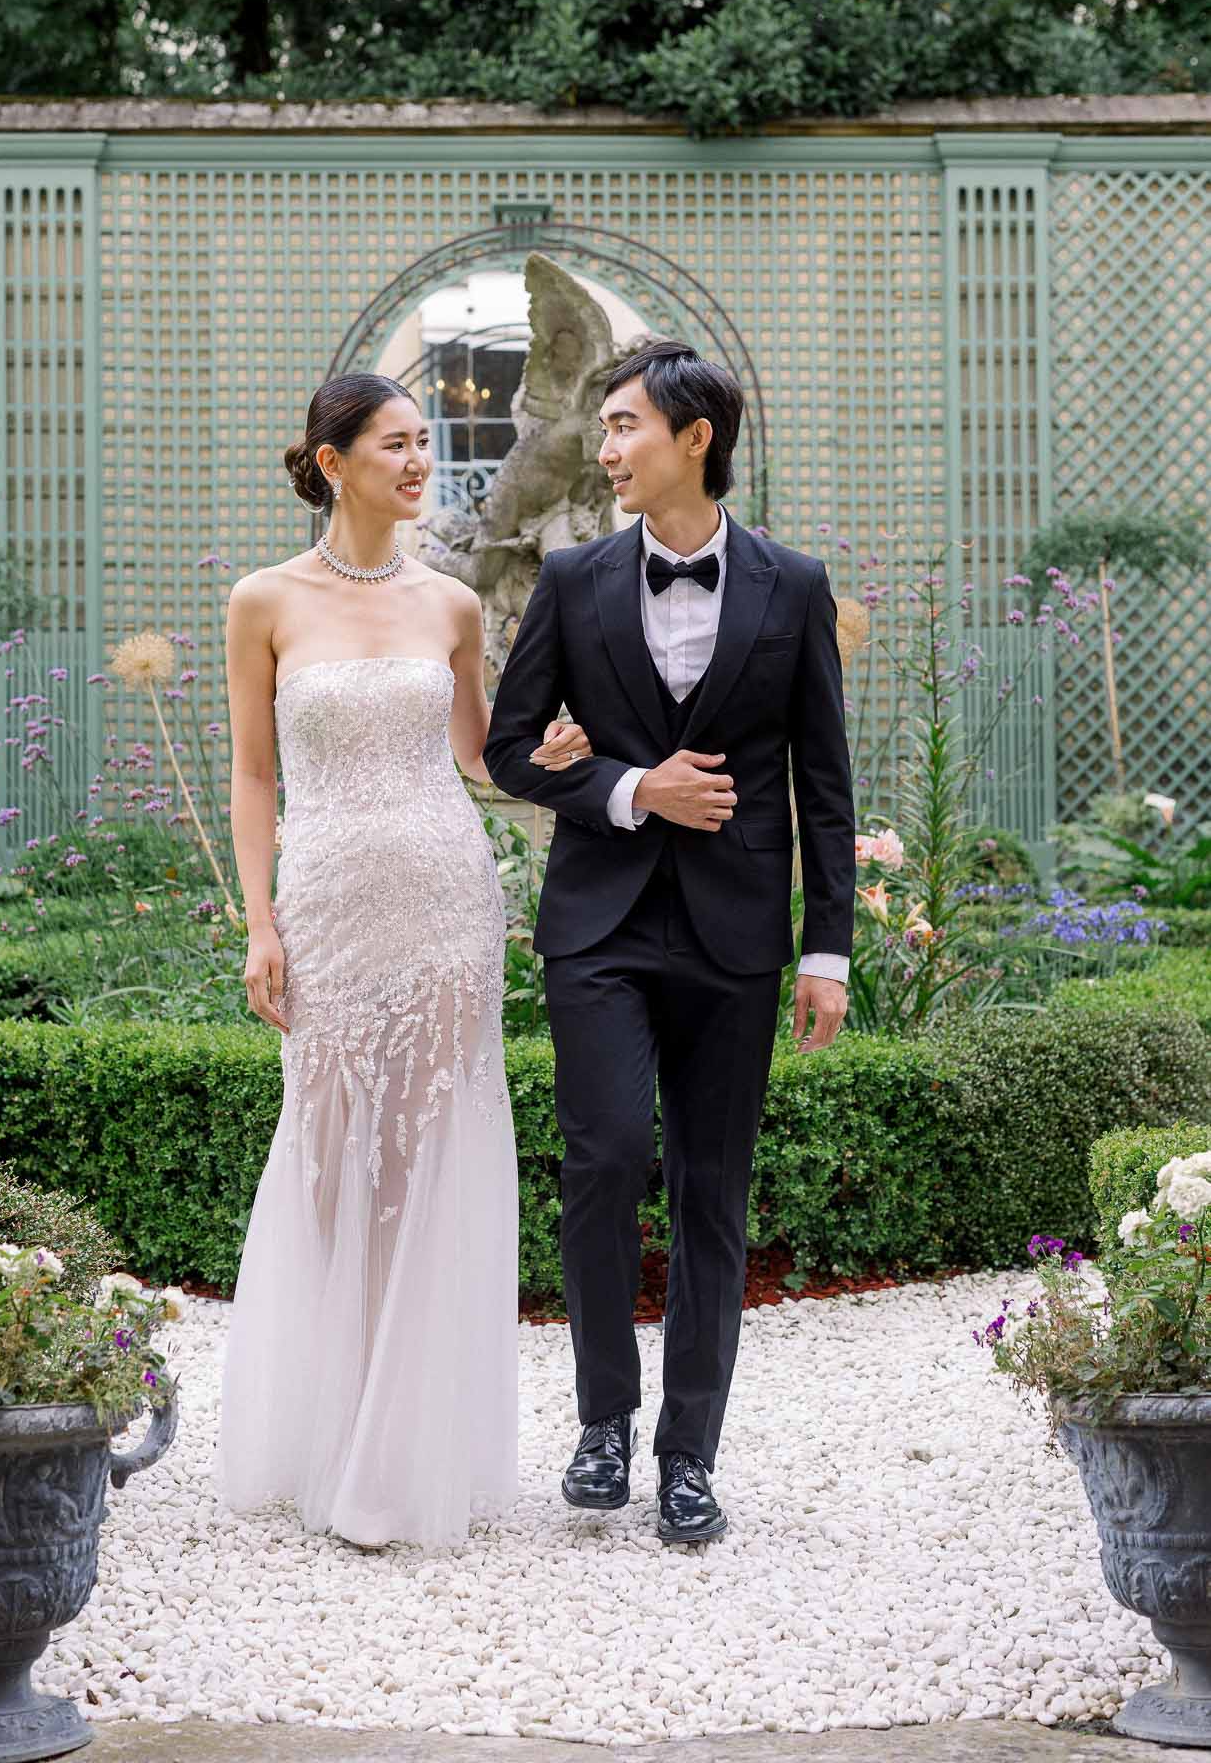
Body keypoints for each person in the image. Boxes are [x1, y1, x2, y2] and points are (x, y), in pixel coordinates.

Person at [484, 340, 856, 1545]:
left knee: (713, 1191)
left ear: (697, 436)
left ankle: (687, 1452)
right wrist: (636, 788)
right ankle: (602, 1421)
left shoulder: (793, 585)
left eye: (626, 425)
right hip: (597, 923)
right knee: (599, 1160)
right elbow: (508, 747)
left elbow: (825, 783)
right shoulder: (575, 576)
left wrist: (828, 948)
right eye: (602, 428)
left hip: (737, 932)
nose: (606, 449)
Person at [212, 372, 591, 1548]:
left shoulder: (453, 604)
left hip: (443, 899)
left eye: (426, 443)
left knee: (427, 1147)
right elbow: (255, 774)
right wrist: (260, 922)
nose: (420, 462)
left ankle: (400, 1453)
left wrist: (557, 753)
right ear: (332, 461)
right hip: (326, 901)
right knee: (331, 1156)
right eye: (396, 444)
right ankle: (331, 1423)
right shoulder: (262, 600)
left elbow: (480, 756)